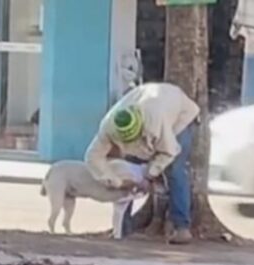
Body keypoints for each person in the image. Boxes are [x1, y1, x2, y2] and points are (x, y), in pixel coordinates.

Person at [85, 82, 200, 244]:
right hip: (149, 105)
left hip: (180, 118)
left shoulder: (155, 122)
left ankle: (181, 226)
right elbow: (92, 156)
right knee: (129, 167)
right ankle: (121, 229)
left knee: (175, 171)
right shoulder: (108, 126)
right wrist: (113, 180)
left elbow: (170, 151)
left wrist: (149, 175)